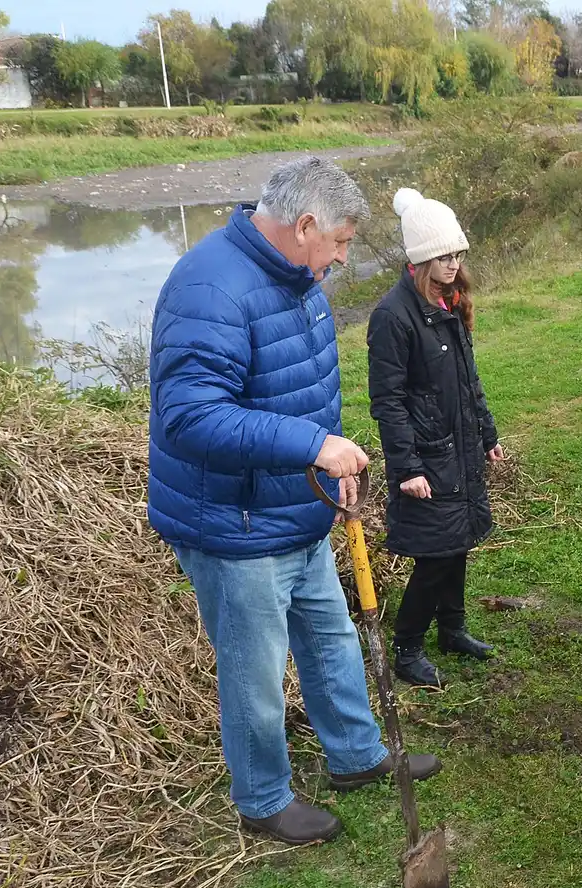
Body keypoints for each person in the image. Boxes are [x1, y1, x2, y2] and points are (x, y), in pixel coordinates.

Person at [148, 157, 441, 847]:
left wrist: (329, 464)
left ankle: (356, 756)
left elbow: (299, 386)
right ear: (305, 224)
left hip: (296, 508)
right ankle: (262, 799)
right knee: (253, 673)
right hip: (236, 524)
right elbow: (189, 417)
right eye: (339, 242)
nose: (342, 258)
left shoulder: (296, 277)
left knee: (331, 639)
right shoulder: (210, 288)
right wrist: (313, 445)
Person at [368, 188, 504, 689]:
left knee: (458, 541)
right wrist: (407, 468)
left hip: (460, 445)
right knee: (436, 554)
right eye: (445, 257)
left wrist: (486, 433)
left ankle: (452, 630)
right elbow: (387, 400)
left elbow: (468, 380)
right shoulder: (393, 316)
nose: (454, 264)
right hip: (427, 455)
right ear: (421, 259)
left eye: (458, 254)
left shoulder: (450, 301)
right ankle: (408, 648)